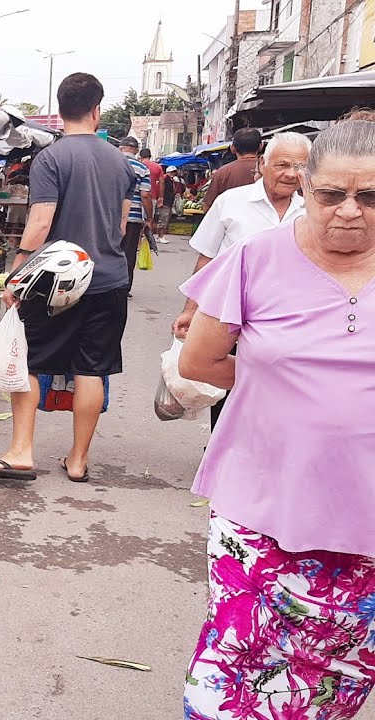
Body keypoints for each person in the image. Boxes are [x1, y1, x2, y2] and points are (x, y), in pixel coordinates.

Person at [178, 111, 375, 720]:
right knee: (233, 673)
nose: (349, 211)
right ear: (305, 188)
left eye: (370, 196)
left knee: (332, 681)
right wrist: (281, 387)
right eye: (332, 194)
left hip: (366, 517)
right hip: (260, 503)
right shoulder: (254, 259)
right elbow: (199, 360)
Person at [0, 73, 135, 483]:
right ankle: (78, 461)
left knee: (31, 361)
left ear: (60, 111)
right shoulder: (121, 162)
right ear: (97, 110)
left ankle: (21, 452)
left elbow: (41, 221)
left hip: (54, 283)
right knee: (92, 369)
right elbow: (120, 227)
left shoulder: (51, 158)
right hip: (109, 278)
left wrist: (18, 269)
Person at [171, 132, 311, 431]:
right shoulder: (231, 203)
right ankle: (221, 445)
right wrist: (191, 310)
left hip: (288, 323)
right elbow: (207, 259)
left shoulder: (311, 211)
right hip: (230, 318)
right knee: (227, 396)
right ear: (262, 164)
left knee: (280, 394)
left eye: (300, 166)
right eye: (282, 164)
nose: (291, 174)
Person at [117, 136, 153, 295]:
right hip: (133, 217)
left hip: (108, 215)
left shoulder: (109, 163)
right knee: (128, 252)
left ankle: (105, 286)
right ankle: (124, 287)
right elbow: (145, 194)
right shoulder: (142, 168)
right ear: (137, 151)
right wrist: (149, 218)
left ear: (120, 148)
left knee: (107, 250)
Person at [203, 127, 262, 212]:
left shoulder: (222, 172)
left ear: (232, 148)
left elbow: (207, 206)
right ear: (261, 146)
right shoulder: (270, 170)